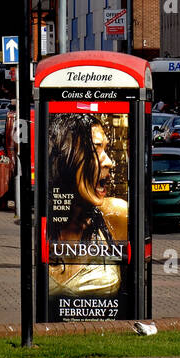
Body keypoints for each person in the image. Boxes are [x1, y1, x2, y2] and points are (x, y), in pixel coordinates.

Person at [47, 113, 128, 300]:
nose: (109, 161)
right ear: (66, 156)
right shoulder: (46, 223)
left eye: (106, 148)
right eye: (96, 149)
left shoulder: (116, 215)